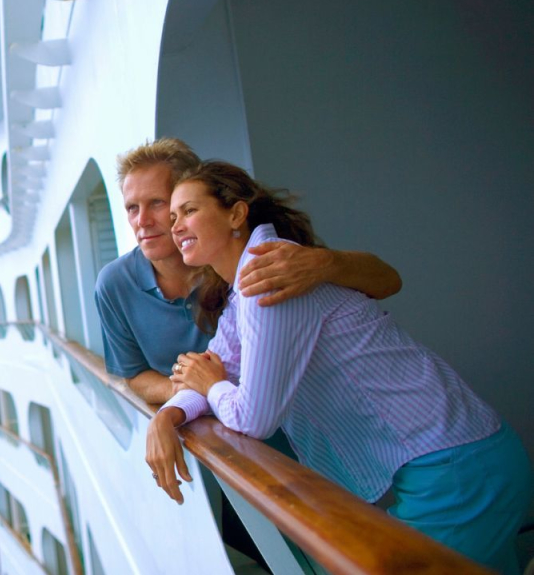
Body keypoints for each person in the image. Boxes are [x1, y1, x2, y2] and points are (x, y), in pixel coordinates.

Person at [151, 160, 531, 574]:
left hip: (457, 470)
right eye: (172, 217)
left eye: (188, 211)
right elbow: (212, 365)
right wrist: (168, 416)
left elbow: (251, 417)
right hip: (460, 459)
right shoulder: (245, 289)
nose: (176, 226)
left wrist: (212, 387)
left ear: (237, 214)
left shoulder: (270, 276)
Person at [95, 139, 401, 406]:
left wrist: (324, 263)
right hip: (221, 437)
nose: (142, 221)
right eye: (132, 208)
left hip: (317, 415)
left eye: (157, 203)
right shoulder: (114, 284)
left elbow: (388, 281)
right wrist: (182, 392)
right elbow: (132, 373)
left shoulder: (246, 258)